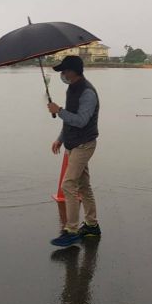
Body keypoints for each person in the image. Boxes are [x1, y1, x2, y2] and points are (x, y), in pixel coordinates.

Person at [47, 55, 101, 247]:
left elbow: (80, 121)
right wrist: (60, 139)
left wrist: (58, 109)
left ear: (73, 71)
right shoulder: (72, 89)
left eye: (64, 70)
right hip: (72, 143)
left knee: (68, 185)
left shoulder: (87, 93)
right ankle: (92, 226)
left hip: (84, 144)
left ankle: (71, 230)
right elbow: (69, 120)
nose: (62, 74)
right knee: (83, 186)